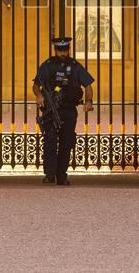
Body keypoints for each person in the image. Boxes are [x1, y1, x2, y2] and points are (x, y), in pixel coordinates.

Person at [32, 36, 94, 186]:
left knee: (67, 142)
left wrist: (88, 101)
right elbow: (36, 84)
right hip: (51, 111)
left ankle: (62, 175)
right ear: (55, 50)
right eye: (60, 50)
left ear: (68, 50)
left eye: (65, 50)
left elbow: (88, 85)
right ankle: (49, 174)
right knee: (50, 142)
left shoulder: (75, 66)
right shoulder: (48, 65)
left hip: (68, 110)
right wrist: (39, 95)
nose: (63, 53)